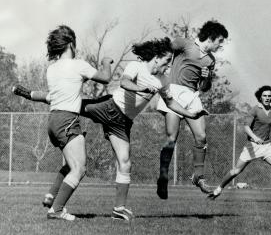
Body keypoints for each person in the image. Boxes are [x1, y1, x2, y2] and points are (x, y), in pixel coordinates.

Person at [13, 37, 208, 221]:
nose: (167, 66)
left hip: (123, 123)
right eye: (166, 61)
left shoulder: (164, 81)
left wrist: (192, 114)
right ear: (156, 58)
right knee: (69, 102)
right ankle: (29, 94)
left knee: (125, 163)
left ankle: (118, 209)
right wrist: (141, 89)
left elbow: (172, 103)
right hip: (108, 108)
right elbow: (124, 82)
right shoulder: (136, 66)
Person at [20, 25, 113, 221]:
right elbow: (105, 77)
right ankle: (56, 209)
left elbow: (50, 97)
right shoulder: (78, 65)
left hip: (53, 120)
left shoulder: (52, 69)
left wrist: (28, 94)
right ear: (71, 44)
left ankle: (51, 196)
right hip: (67, 120)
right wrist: (105, 62)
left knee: (71, 165)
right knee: (79, 168)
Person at [156, 20, 229, 199]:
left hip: (192, 95)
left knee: (201, 136)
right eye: (220, 41)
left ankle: (198, 176)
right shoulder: (185, 44)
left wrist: (206, 78)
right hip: (174, 91)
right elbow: (164, 49)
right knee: (172, 137)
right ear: (211, 38)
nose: (221, 45)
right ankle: (163, 176)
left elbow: (204, 87)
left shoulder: (210, 60)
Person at [208, 85, 271, 203]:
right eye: (265, 96)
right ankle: (218, 190)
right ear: (260, 97)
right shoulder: (254, 110)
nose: (267, 98)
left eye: (269, 96)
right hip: (252, 146)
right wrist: (255, 138)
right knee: (236, 171)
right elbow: (246, 127)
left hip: (266, 147)